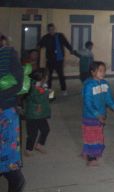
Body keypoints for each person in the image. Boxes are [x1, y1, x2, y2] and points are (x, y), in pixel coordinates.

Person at [81, 61, 114, 166]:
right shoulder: (88, 86)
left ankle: (87, 152)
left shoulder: (104, 84)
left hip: (101, 115)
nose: (103, 73)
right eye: (100, 71)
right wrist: (96, 114)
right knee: (92, 136)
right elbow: (87, 103)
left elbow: (108, 98)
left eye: (104, 71)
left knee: (98, 135)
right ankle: (91, 158)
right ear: (93, 72)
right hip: (90, 116)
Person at [0, 34, 26, 192]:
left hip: (6, 111)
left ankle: (16, 181)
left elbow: (18, 82)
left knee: (8, 154)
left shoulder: (8, 53)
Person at [37, 23, 73, 95]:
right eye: (50, 29)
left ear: (54, 29)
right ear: (48, 30)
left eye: (53, 29)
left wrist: (71, 50)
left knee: (61, 75)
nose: (51, 31)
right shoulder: (45, 37)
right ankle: (49, 89)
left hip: (59, 59)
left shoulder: (60, 36)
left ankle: (64, 90)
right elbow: (39, 45)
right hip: (50, 59)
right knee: (49, 76)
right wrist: (36, 52)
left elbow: (66, 43)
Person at [24, 69, 51, 157]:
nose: (48, 77)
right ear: (41, 78)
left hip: (40, 114)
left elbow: (49, 98)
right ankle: (28, 149)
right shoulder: (34, 87)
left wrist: (50, 94)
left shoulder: (42, 85)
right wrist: (47, 92)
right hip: (33, 115)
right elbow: (38, 99)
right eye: (46, 76)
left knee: (45, 129)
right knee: (33, 133)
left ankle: (39, 145)